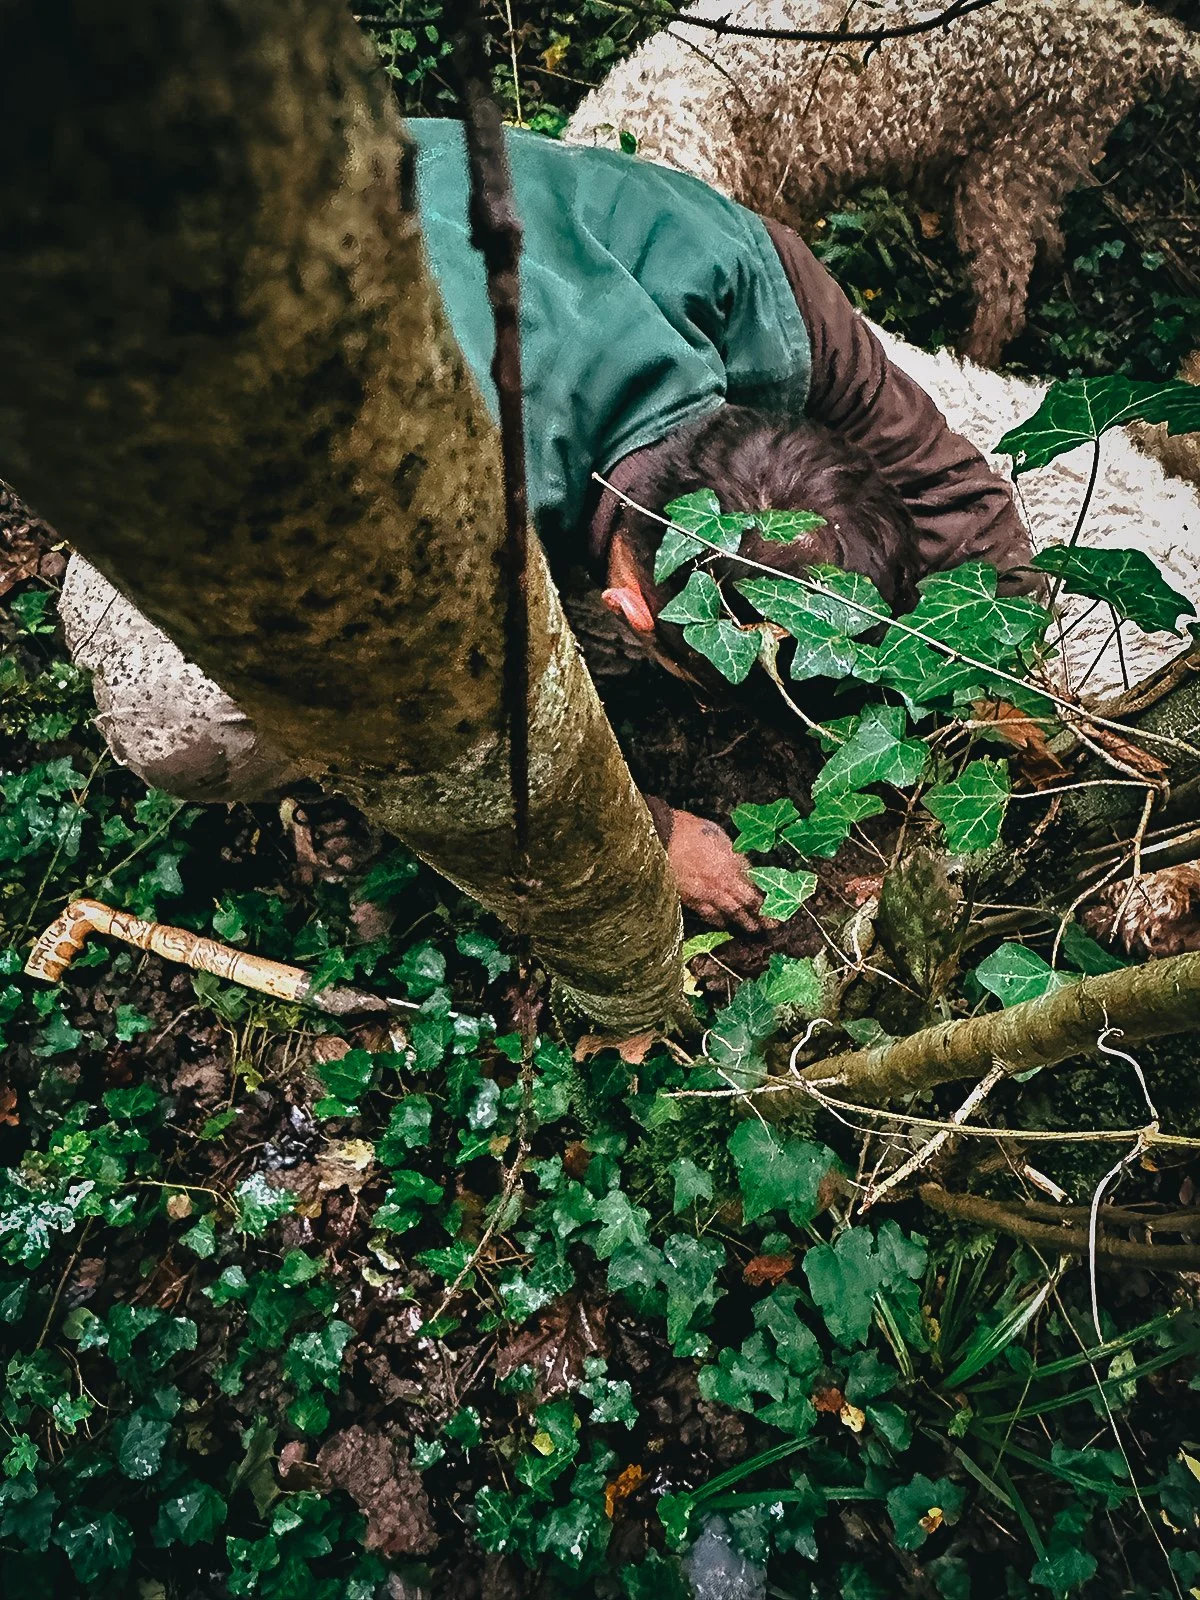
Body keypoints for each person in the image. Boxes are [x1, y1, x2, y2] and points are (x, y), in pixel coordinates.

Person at [59, 119, 1036, 932]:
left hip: (381, 215)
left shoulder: (752, 280)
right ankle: (310, 762)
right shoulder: (423, 515)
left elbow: (944, 480)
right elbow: (455, 745)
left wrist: (998, 693)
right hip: (206, 348)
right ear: (629, 611)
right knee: (189, 717)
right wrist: (647, 836)